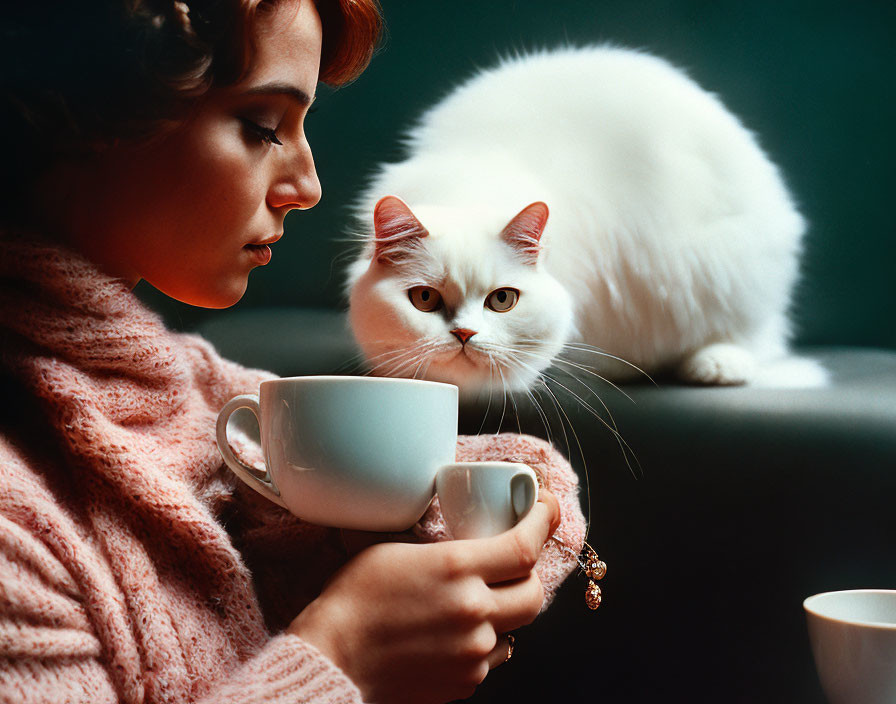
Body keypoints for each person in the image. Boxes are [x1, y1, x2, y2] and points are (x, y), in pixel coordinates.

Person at [0, 1, 587, 702]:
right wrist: (341, 656)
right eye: (262, 127)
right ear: (88, 110)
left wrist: (324, 532)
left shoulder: (202, 391)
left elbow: (530, 473)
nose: (308, 187)